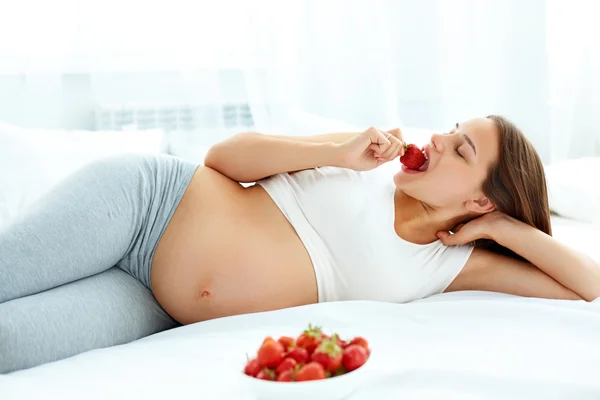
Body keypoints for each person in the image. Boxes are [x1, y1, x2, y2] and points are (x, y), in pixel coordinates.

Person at [1, 115, 598, 373]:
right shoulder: (366, 154)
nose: (439, 140)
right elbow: (224, 158)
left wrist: (504, 229)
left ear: (480, 200)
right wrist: (335, 152)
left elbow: (587, 286)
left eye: (462, 150)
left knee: (10, 345)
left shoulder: (449, 264)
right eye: (453, 129)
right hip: (142, 204)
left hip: (156, 303)